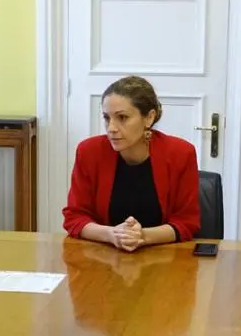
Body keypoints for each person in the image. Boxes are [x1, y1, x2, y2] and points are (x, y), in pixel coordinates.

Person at [62, 75, 200, 251]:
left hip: (164, 258)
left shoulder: (180, 153)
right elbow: (75, 216)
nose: (111, 128)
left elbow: (187, 222)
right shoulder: (89, 152)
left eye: (122, 118)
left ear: (149, 118)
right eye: (106, 117)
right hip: (104, 258)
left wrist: (141, 236)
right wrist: (112, 234)